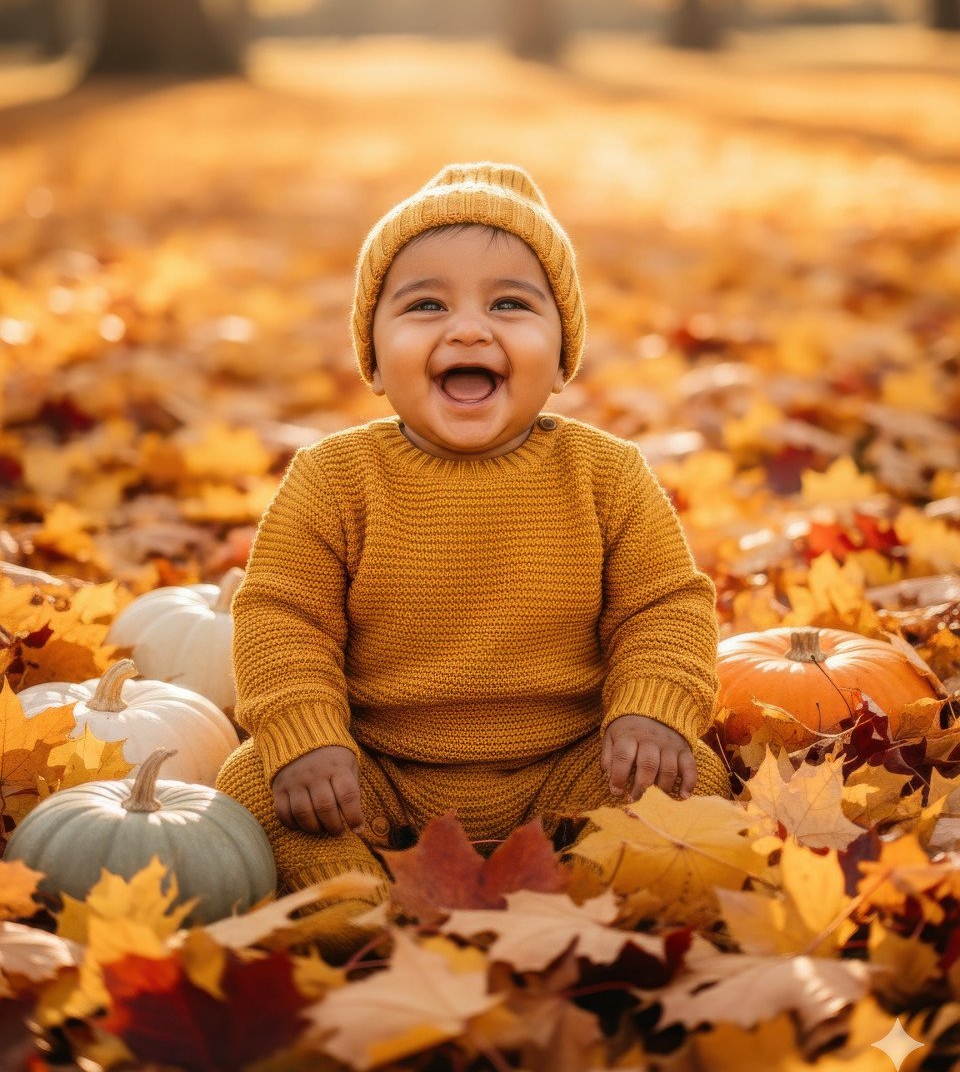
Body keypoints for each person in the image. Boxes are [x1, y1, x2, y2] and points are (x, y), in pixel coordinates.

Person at [217, 161, 730, 955]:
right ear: (374, 361)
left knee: (690, 773)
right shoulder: (334, 478)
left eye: (510, 305)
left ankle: (587, 906)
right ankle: (357, 923)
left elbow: (664, 605)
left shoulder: (606, 474)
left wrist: (649, 709)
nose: (467, 330)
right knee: (252, 782)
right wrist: (309, 736)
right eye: (425, 305)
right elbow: (284, 614)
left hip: (568, 764)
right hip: (376, 772)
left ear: (562, 358)